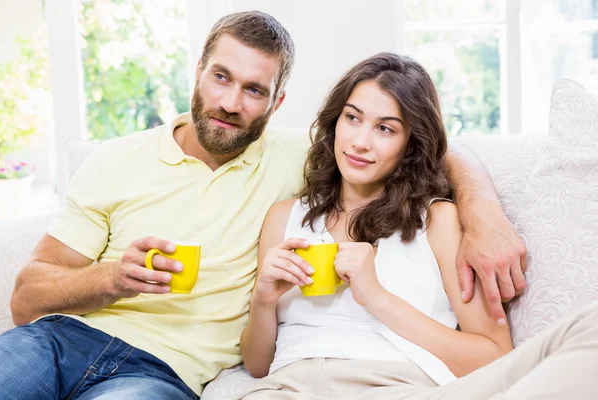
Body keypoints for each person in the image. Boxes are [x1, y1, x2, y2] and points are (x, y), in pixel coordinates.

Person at [0, 11, 524, 400]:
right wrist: (112, 277)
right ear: (199, 70)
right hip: (60, 340)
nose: (231, 103)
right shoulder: (116, 159)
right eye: (221, 77)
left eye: (254, 90)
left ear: (277, 105)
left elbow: (434, 142)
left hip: (160, 373)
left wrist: (484, 213)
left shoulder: (307, 160)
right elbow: (24, 300)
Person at [239, 52, 598, 400]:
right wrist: (264, 299)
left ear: (410, 144)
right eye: (352, 118)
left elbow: (494, 356)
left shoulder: (438, 222)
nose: (360, 142)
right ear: (335, 123)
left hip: (401, 387)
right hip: (294, 387)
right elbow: (257, 366)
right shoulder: (285, 217)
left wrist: (377, 297)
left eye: (385, 128)